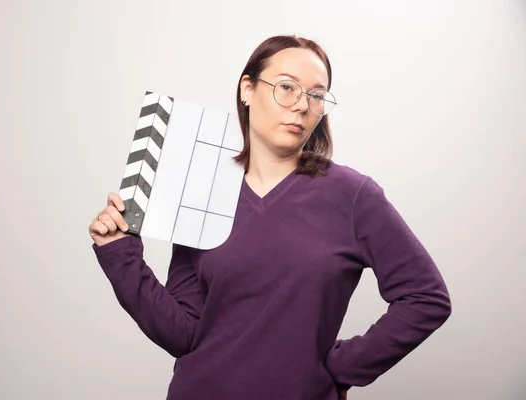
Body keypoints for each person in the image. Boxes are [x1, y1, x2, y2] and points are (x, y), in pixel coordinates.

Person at [88, 35, 452, 400]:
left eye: (316, 95)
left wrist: (340, 368)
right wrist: (120, 254)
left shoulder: (354, 196)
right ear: (248, 89)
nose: (301, 106)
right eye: (286, 87)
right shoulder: (200, 190)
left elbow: (426, 297)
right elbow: (183, 334)